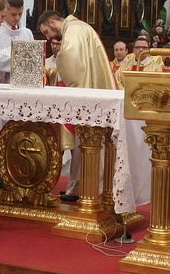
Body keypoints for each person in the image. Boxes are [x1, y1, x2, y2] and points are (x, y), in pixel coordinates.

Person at [38, 10, 116, 201]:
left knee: (86, 143)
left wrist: (57, 65)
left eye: (47, 32)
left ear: (52, 22)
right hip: (90, 91)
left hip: (87, 96)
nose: (49, 38)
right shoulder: (78, 27)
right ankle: (77, 187)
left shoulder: (74, 30)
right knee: (82, 144)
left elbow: (72, 63)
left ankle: (86, 189)